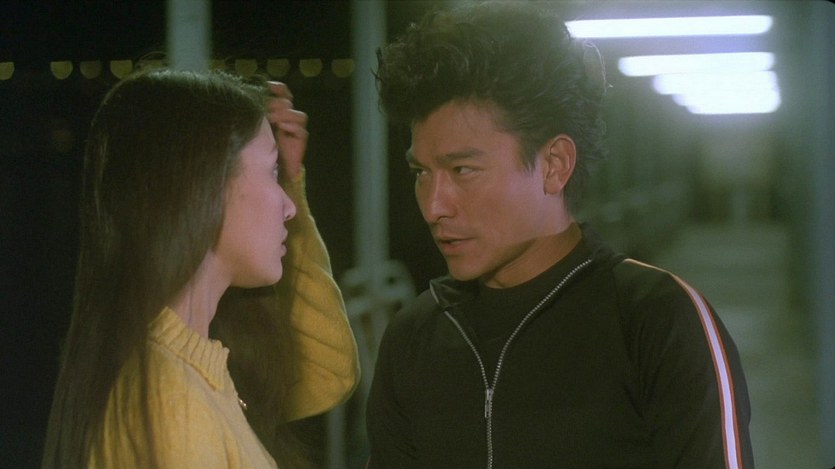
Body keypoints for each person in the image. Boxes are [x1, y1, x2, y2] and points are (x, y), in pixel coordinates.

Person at [366, 2, 754, 468]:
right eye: (421, 173)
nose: (434, 206)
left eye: (463, 170)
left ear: (554, 165)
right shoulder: (414, 337)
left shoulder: (657, 323)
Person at [42, 68, 359, 468]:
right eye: (273, 171)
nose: (290, 207)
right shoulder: (174, 405)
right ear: (205, 186)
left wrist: (290, 179)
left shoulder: (185, 370)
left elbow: (329, 372)